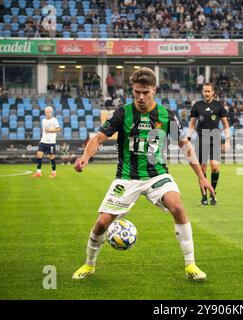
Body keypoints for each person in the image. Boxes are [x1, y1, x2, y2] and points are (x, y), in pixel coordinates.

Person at [72, 67, 214, 281]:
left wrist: (201, 177)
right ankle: (89, 265)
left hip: (157, 175)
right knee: (102, 223)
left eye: (145, 92)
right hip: (127, 177)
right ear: (132, 90)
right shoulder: (123, 113)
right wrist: (85, 157)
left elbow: (185, 146)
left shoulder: (166, 116)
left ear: (154, 90)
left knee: (178, 207)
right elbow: (98, 138)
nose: (140, 97)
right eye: (137, 92)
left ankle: (191, 265)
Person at [187, 83, 230, 206]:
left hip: (215, 139)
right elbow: (192, 124)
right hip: (201, 139)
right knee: (202, 169)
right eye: (205, 91)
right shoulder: (197, 106)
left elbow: (226, 125)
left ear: (213, 92)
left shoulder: (218, 106)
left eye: (209, 91)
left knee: (215, 167)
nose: (206, 93)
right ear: (202, 92)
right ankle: (204, 197)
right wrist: (188, 139)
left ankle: (213, 194)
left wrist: (227, 140)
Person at [33, 106, 61, 178]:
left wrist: (50, 130)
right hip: (43, 141)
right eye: (46, 111)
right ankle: (38, 172)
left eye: (49, 111)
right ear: (45, 112)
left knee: (51, 156)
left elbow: (58, 129)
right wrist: (41, 139)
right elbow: (43, 131)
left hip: (51, 142)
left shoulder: (54, 120)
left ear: (51, 112)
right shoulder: (43, 120)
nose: (48, 113)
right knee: (39, 155)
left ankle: (53, 172)